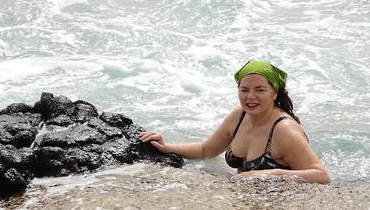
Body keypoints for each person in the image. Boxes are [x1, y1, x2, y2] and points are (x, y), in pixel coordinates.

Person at [139, 60, 330, 184]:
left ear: (275, 93)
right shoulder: (240, 116)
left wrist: (269, 174)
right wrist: (167, 147)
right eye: (244, 90)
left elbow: (321, 176)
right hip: (247, 200)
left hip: (280, 205)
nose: (250, 97)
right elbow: (207, 150)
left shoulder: (283, 129)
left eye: (260, 90)